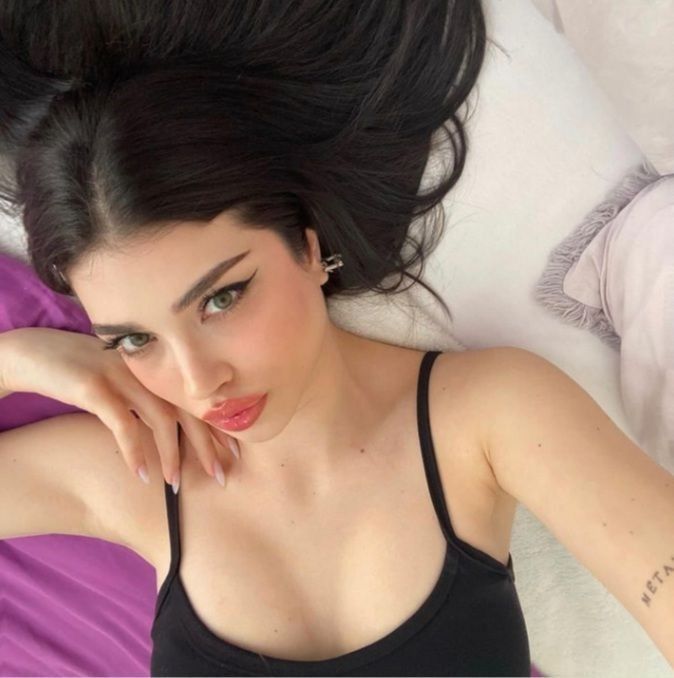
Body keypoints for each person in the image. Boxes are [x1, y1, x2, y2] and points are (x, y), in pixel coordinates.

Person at [0, 2, 673, 676]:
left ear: (307, 245)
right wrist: (21, 360)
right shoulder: (145, 473)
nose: (200, 382)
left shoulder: (489, 412)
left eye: (221, 299)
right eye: (135, 340)